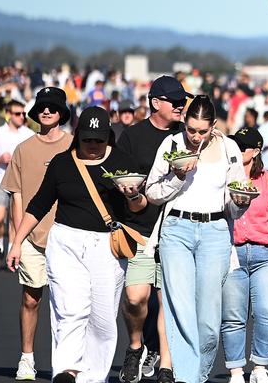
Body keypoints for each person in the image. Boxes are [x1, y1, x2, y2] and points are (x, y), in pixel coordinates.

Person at [7, 106, 148, 383]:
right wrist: (17, 242)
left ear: (108, 136)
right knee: (70, 310)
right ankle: (67, 370)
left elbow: (140, 207)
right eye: (87, 139)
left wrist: (133, 196)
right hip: (66, 242)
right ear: (78, 136)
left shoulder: (122, 162)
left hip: (106, 245)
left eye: (98, 139)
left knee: (103, 319)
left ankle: (93, 377)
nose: (93, 145)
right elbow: (38, 205)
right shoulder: (62, 163)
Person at [145, 95, 247, 383]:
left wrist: (241, 201)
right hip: (177, 228)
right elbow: (152, 192)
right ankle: (186, 378)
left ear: (213, 126)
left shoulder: (229, 148)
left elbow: (236, 201)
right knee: (180, 307)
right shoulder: (172, 145)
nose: (196, 137)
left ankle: (197, 375)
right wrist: (177, 176)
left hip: (215, 231)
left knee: (208, 319)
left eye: (203, 131)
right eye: (191, 129)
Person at [113, 75, 186, 383]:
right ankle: (135, 346)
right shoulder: (132, 136)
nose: (182, 106)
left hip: (176, 230)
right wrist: (131, 194)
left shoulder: (188, 137)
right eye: (176, 102)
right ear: (156, 103)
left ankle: (166, 364)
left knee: (168, 300)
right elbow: (119, 179)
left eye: (184, 101)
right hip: (139, 228)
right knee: (135, 299)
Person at [1, 86, 74, 381]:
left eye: (52, 107)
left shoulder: (73, 145)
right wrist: (16, 241)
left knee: (68, 304)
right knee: (31, 299)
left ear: (62, 113)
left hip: (67, 234)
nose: (46, 111)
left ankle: (65, 362)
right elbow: (16, 196)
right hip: (31, 238)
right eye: (42, 107)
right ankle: (27, 358)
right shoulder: (24, 149)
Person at [222, 127, 268, 383]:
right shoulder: (223, 175)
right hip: (232, 252)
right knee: (233, 315)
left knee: (267, 311)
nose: (236, 150)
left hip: (265, 253)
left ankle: (259, 367)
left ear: (255, 152)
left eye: (242, 147)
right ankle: (235, 370)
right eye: (234, 145)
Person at [0, 99, 33, 255]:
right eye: (17, 113)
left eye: (23, 114)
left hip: (20, 184)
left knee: (16, 220)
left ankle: (10, 251)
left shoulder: (29, 134)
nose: (21, 116)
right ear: (8, 114)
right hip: (1, 181)